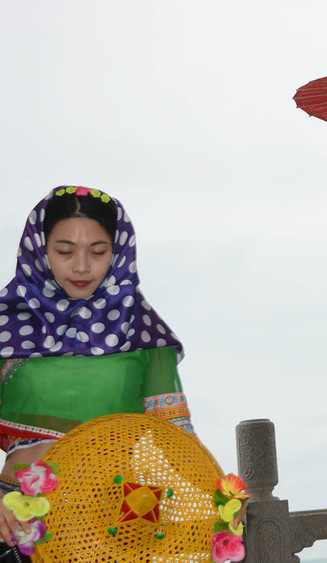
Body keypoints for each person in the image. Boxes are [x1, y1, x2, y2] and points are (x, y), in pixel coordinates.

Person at [0, 186, 193, 561]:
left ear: (118, 253)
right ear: (40, 251)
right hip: (16, 519)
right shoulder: (5, 330)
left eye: (98, 251)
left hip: (123, 520)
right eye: (65, 251)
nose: (82, 266)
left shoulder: (144, 336)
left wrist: (218, 503)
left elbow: (176, 443)